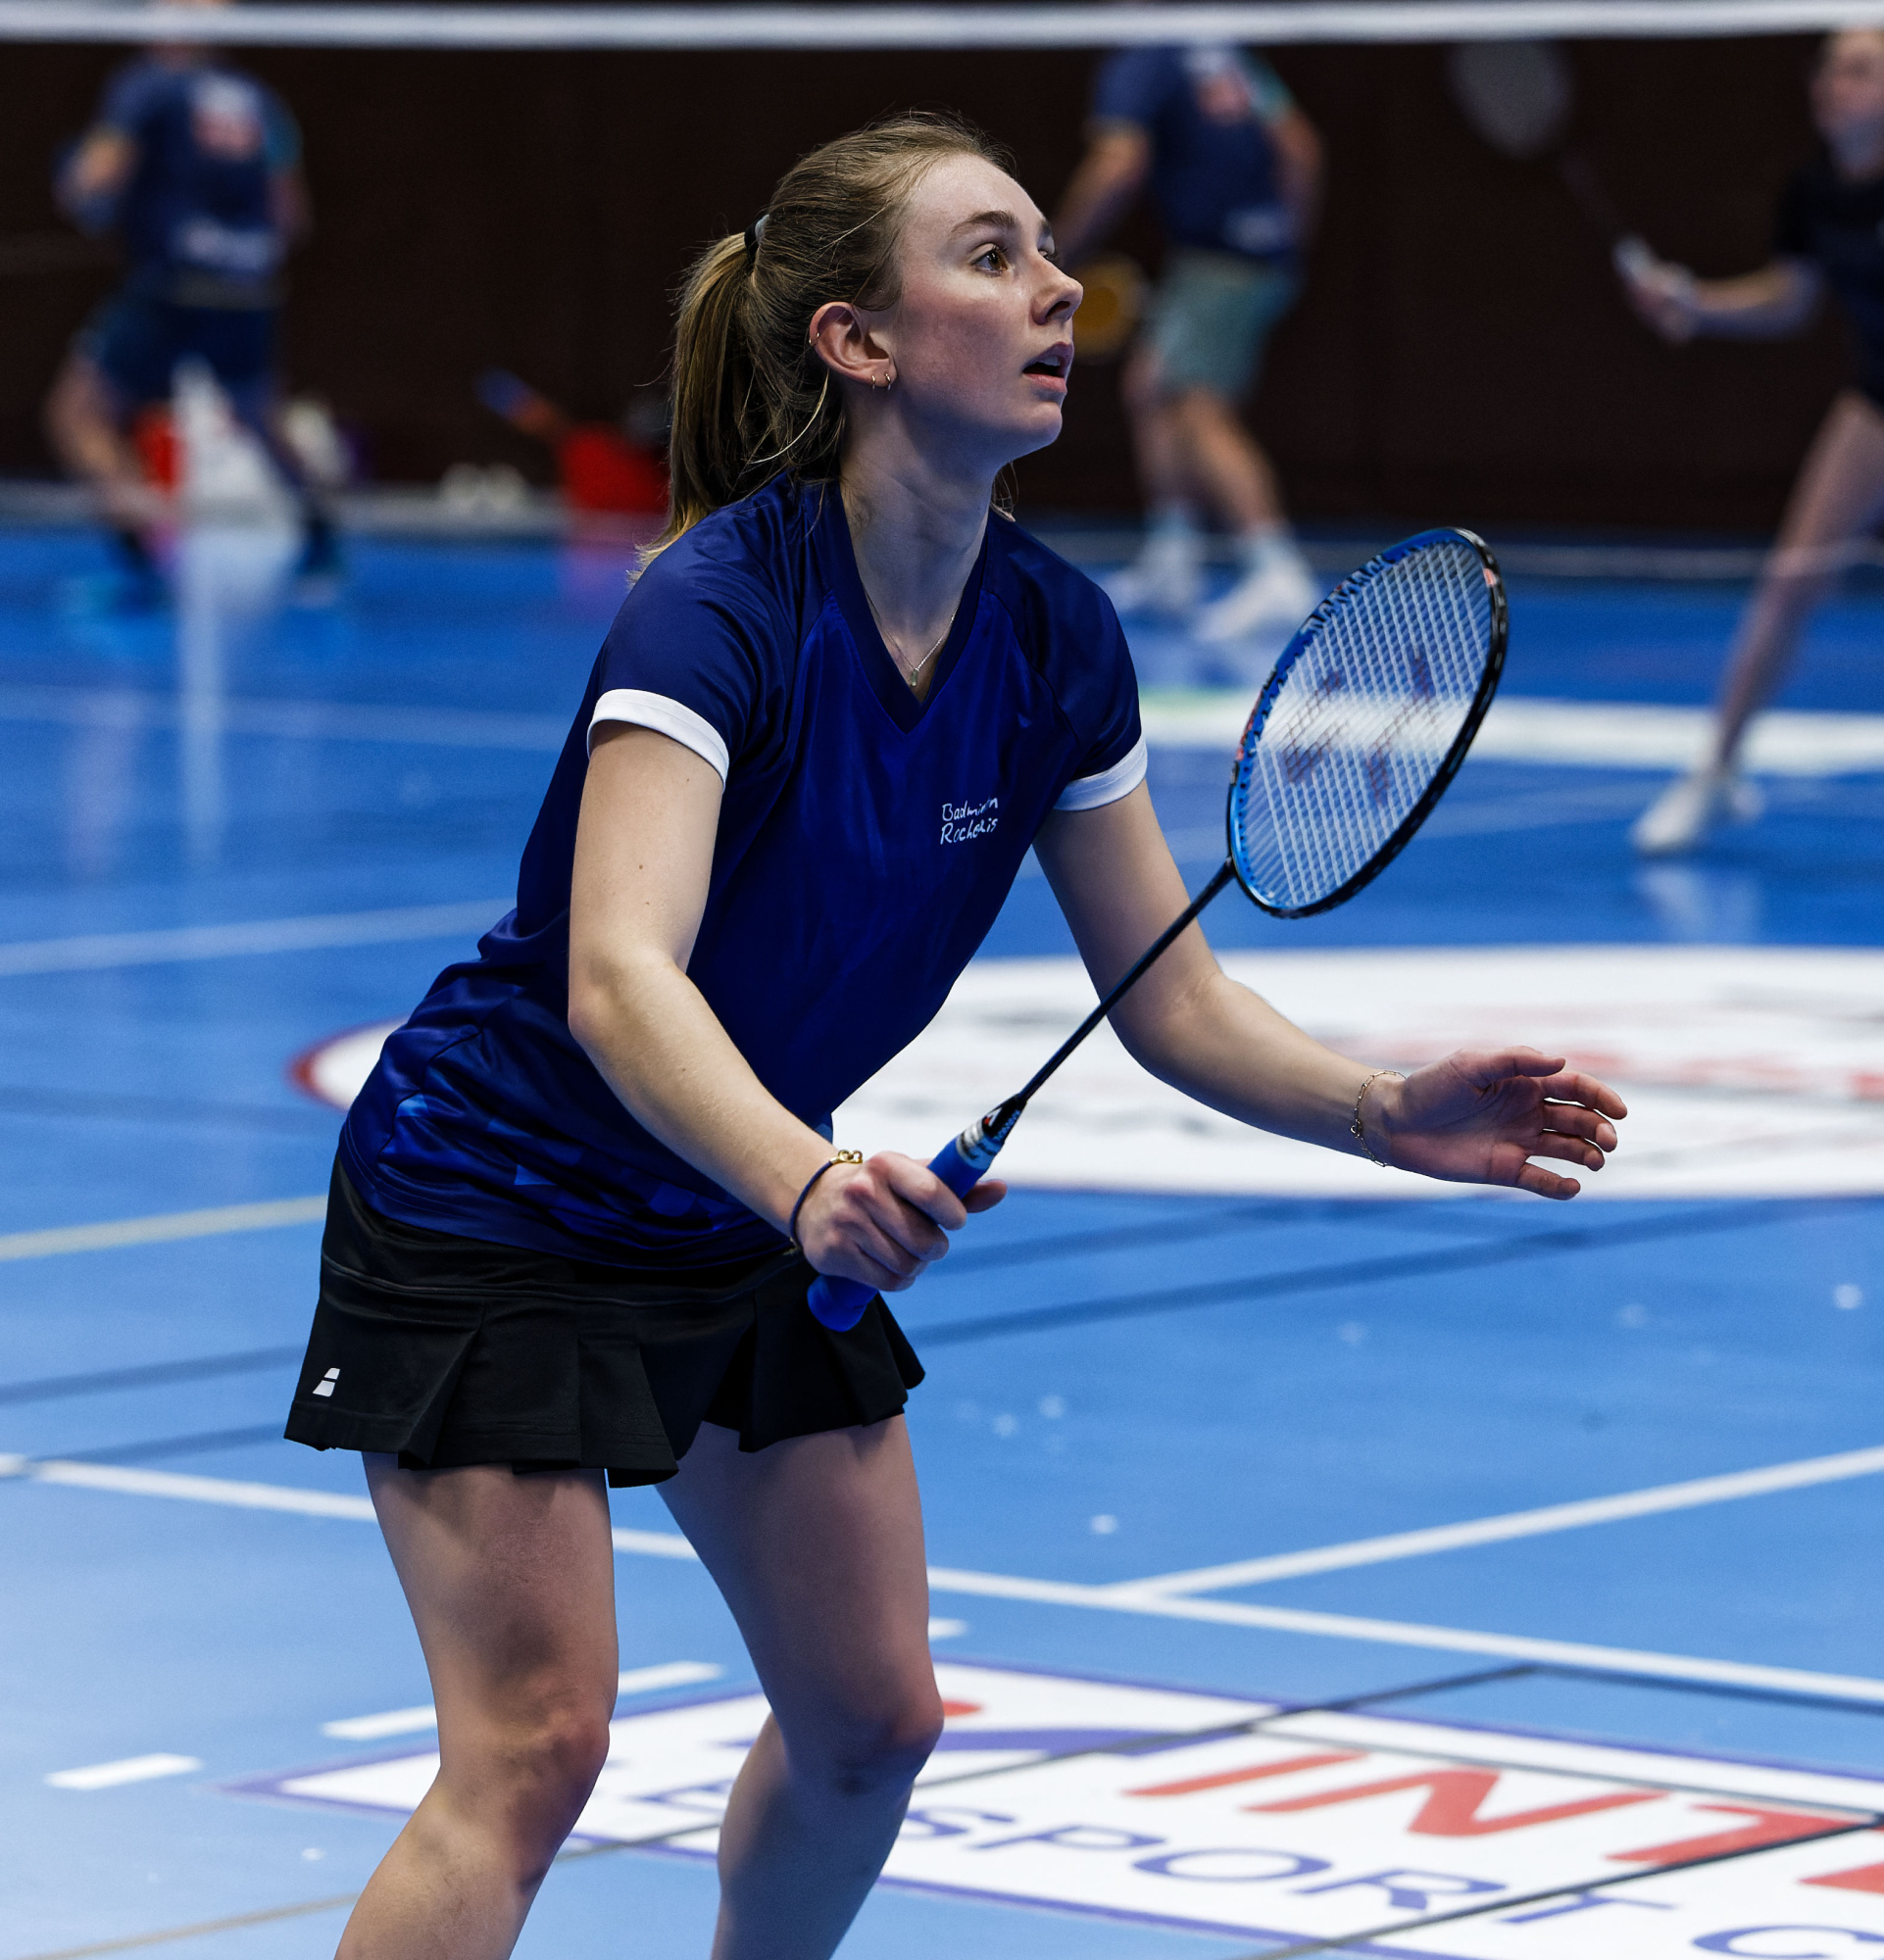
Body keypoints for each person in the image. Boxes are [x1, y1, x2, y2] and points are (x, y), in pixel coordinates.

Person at [282, 112, 1625, 1960]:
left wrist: (1381, 1108)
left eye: (1049, 252)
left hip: (730, 1205)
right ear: (857, 340)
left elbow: (1169, 996)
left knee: (873, 1723)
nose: (1059, 288)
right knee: (533, 1750)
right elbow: (618, 978)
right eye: (991, 256)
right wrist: (808, 1182)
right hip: (500, 1196)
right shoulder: (718, 607)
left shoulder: (1052, 642)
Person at [1625, 27, 1884, 856]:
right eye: (1830, 69)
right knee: (1790, 582)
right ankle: (1717, 773)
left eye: (1860, 70)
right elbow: (1790, 297)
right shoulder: (1813, 189)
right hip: (1875, 406)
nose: (1835, 83)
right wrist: (1694, 302)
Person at [42, 0, 338, 608]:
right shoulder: (261, 102)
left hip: (171, 288)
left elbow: (96, 178)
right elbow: (291, 218)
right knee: (259, 418)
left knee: (78, 414)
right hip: (248, 288)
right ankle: (322, 545)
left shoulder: (147, 86)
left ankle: (151, 561)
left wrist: (76, 188)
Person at [1054, 41, 1323, 648]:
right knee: (1149, 385)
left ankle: (1275, 567)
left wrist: (1054, 251)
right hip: (1251, 253)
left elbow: (1118, 163)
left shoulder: (1142, 59)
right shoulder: (1223, 51)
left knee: (1196, 405)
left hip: (1216, 260)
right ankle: (1173, 558)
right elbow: (1300, 146)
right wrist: (1286, 246)